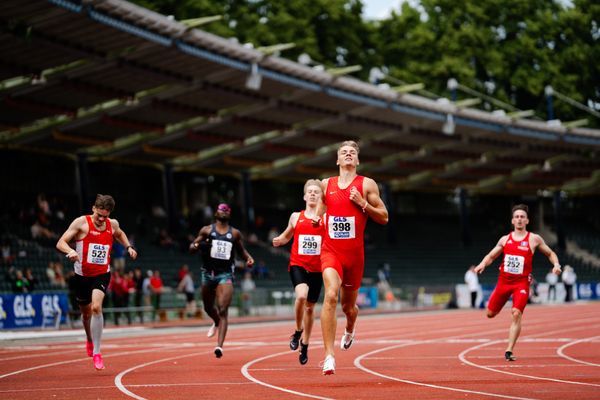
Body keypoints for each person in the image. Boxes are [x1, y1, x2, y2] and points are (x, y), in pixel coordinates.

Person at [316, 141, 389, 375]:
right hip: (331, 252)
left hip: (354, 257)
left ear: (357, 161)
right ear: (337, 160)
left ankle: (350, 327)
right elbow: (318, 211)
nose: (348, 155)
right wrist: (318, 219)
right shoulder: (326, 184)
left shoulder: (366, 184)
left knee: (349, 307)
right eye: (344, 153)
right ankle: (329, 355)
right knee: (329, 296)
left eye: (353, 153)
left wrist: (363, 203)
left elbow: (384, 217)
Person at [56, 194, 137, 370]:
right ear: (93, 208)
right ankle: (89, 339)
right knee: (86, 314)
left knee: (96, 308)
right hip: (82, 275)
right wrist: (70, 251)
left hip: (102, 273)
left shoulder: (112, 224)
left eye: (105, 216)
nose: (101, 219)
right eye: (99, 215)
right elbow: (61, 242)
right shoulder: (81, 223)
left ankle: (98, 352)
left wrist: (128, 247)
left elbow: (120, 233)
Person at [474, 204, 561, 362]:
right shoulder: (505, 239)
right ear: (513, 221)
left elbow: (550, 253)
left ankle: (509, 349)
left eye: (522, 217)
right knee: (490, 314)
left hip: (521, 284)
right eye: (517, 217)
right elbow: (491, 256)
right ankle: (498, 308)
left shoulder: (534, 239)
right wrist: (482, 264)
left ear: (527, 220)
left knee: (516, 314)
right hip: (503, 283)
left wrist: (556, 264)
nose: (520, 219)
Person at [189, 203, 254, 358]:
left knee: (223, 309)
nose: (223, 212)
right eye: (220, 209)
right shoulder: (206, 230)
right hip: (207, 273)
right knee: (207, 307)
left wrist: (248, 258)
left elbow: (241, 250)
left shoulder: (235, 234)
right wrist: (196, 245)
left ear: (229, 215)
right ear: (216, 213)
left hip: (225, 274)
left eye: (226, 210)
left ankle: (219, 346)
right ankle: (216, 322)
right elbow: (192, 247)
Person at [272, 179, 325, 365]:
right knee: (301, 296)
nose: (312, 194)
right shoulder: (296, 216)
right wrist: (279, 239)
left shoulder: (326, 218)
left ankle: (305, 344)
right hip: (298, 264)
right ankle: (297, 331)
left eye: (316, 192)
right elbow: (288, 234)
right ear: (304, 196)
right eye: (309, 191)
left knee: (310, 308)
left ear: (321, 196)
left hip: (318, 268)